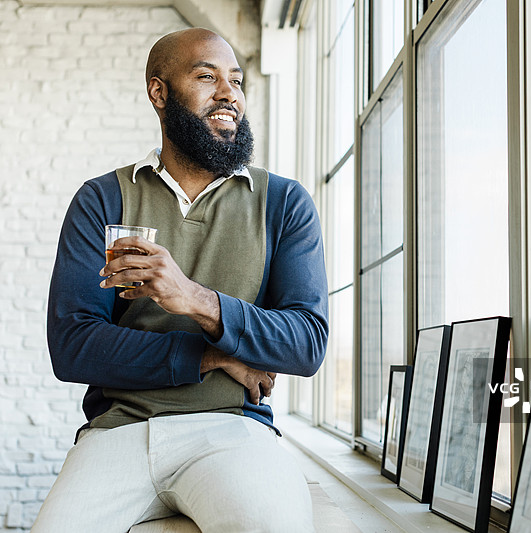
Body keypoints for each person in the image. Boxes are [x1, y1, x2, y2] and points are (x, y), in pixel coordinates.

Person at [32, 28, 328, 533]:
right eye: (206, 76)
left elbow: (306, 342)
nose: (228, 93)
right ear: (159, 92)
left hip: (232, 431)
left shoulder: (283, 203)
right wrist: (211, 355)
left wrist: (194, 299)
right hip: (118, 431)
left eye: (235, 80)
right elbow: (73, 346)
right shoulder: (101, 199)